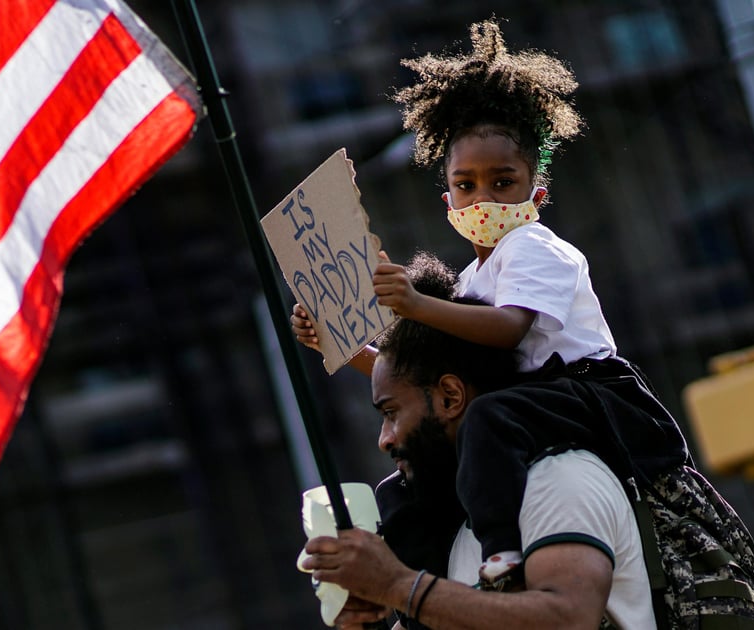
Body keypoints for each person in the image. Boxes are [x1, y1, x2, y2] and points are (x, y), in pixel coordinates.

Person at [291, 17, 689, 582]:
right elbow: (422, 379)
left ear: (536, 191)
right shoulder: (472, 282)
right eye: (466, 184)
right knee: (407, 483)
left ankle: (501, 549)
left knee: (486, 418)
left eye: (502, 182)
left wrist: (414, 306)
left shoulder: (533, 247)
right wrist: (341, 342)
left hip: (584, 395)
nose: (483, 197)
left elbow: (510, 330)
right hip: (521, 405)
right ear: (447, 194)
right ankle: (400, 593)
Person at [300, 291, 657, 629]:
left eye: (392, 412)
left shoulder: (557, 479)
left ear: (451, 397)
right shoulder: (457, 526)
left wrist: (397, 585)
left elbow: (567, 619)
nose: (385, 439)